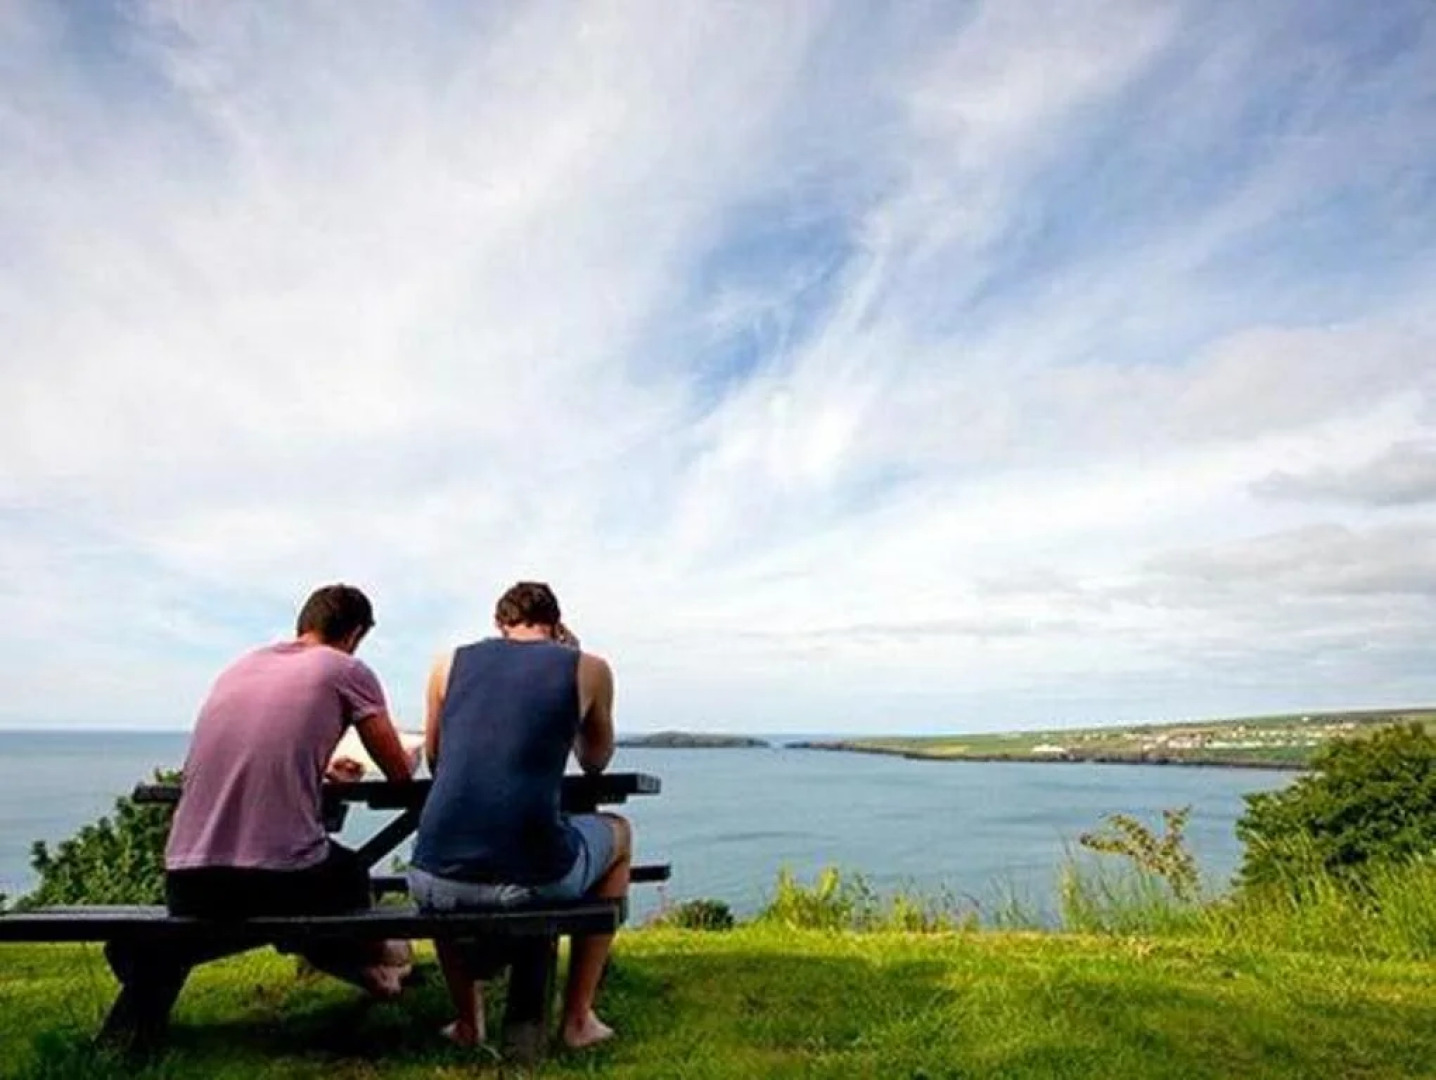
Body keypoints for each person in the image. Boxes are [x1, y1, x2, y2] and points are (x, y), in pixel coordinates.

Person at [164, 583, 416, 997]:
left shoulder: (240, 668)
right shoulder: (346, 669)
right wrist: (413, 755)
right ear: (354, 635)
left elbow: (257, 751)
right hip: (278, 882)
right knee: (349, 876)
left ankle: (374, 967)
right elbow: (400, 774)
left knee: (318, 884)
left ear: (304, 624)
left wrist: (318, 773)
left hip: (187, 883)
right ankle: (384, 961)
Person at [409, 581, 628, 1050]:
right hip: (533, 880)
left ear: (499, 624)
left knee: (444, 848)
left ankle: (468, 1022)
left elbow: (435, 758)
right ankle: (578, 1018)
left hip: (431, 880)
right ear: (557, 625)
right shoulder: (588, 667)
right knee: (620, 833)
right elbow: (595, 760)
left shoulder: (446, 664)